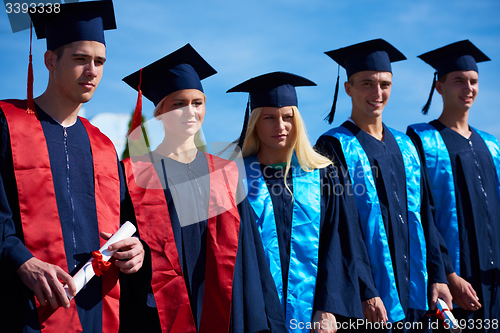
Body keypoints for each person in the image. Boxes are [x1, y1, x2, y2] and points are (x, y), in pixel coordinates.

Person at [119, 44, 287, 333]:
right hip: (161, 313)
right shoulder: (136, 175)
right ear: (159, 113)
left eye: (198, 103)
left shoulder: (225, 172)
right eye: (178, 104)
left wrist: (271, 321)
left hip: (226, 309)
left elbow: (253, 256)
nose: (190, 111)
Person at [0, 1, 145, 332]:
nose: (92, 70)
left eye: (99, 61)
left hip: (96, 310)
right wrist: (20, 260)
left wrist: (137, 251)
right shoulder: (6, 124)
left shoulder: (104, 147)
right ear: (51, 61)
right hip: (23, 306)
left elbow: (128, 223)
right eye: (81, 59)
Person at [315, 39, 453, 332]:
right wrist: (365, 289)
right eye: (367, 83)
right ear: (348, 88)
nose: (377, 93)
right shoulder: (333, 146)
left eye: (385, 84)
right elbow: (341, 228)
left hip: (415, 292)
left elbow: (425, 215)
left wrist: (438, 275)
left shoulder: (405, 145)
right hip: (369, 299)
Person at [227, 71, 371, 332]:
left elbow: (336, 243)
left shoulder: (323, 175)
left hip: (314, 317)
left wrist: (328, 307)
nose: (280, 126)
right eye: (269, 118)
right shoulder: (234, 177)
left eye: (287, 118)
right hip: (253, 312)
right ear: (255, 123)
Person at [407, 40, 500, 331]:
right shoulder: (422, 140)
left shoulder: (492, 145)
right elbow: (422, 214)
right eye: (459, 81)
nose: (468, 88)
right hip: (454, 281)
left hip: (493, 276)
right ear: (439, 86)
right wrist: (447, 272)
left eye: (473, 81)